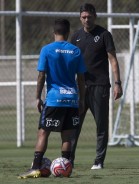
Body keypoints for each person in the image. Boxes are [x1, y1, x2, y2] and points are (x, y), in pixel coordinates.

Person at [18, 19, 86, 179]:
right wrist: (81, 100)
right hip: (71, 99)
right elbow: (81, 79)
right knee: (67, 136)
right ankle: (66, 168)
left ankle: (35, 167)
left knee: (43, 133)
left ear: (54, 32)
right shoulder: (75, 51)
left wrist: (37, 97)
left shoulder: (47, 50)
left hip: (54, 99)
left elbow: (41, 75)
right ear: (68, 32)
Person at [70, 3, 123, 170]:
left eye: (89, 17)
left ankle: (99, 161)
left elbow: (113, 60)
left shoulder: (104, 35)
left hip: (99, 87)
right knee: (74, 125)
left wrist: (117, 83)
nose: (86, 20)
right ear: (80, 18)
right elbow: (71, 63)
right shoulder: (76, 37)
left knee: (101, 125)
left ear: (95, 16)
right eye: (84, 17)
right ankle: (68, 159)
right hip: (79, 88)